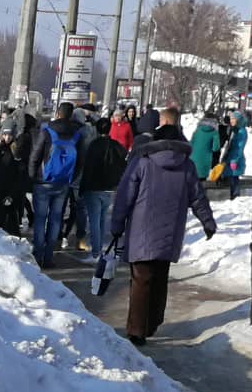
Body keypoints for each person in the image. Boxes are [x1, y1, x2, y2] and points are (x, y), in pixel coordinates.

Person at [108, 105, 216, 347]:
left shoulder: (142, 161)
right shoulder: (187, 165)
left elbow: (125, 194)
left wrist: (116, 225)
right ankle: (153, 322)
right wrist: (208, 222)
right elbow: (198, 197)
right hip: (170, 232)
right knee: (159, 278)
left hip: (141, 230)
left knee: (141, 280)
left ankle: (137, 330)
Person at [28, 100, 90, 269]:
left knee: (40, 219)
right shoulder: (77, 133)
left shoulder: (47, 130)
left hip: (43, 181)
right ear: (71, 115)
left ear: (57, 113)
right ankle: (48, 258)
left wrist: (33, 176)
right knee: (56, 220)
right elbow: (81, 161)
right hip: (63, 183)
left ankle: (37, 255)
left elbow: (35, 155)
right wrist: (70, 177)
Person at [79, 120, 130, 264]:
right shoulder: (116, 146)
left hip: (93, 187)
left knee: (94, 221)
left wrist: (83, 188)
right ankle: (99, 250)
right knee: (101, 220)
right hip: (109, 188)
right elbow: (125, 161)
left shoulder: (94, 146)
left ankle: (96, 252)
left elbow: (88, 168)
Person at [220, 118, 248, 202]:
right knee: (230, 177)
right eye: (231, 119)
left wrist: (235, 160)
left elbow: (240, 147)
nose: (231, 120)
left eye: (234, 119)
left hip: (235, 158)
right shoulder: (235, 130)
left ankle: (235, 197)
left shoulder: (241, 131)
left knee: (234, 178)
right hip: (230, 157)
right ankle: (231, 197)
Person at [190, 110, 223, 180]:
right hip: (204, 162)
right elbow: (215, 148)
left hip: (192, 161)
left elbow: (191, 143)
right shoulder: (214, 132)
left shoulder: (197, 130)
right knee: (202, 184)